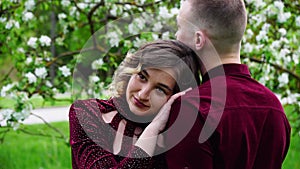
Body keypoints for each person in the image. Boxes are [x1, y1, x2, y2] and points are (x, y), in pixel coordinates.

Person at [163, 0, 291, 169]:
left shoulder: (192, 108)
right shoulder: (274, 107)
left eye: (179, 27)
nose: (176, 36)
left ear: (198, 39)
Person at [69, 39, 201, 169]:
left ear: (175, 97)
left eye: (160, 90)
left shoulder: (174, 139)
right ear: (131, 71)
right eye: (142, 77)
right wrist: (153, 130)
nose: (143, 94)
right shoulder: (87, 112)